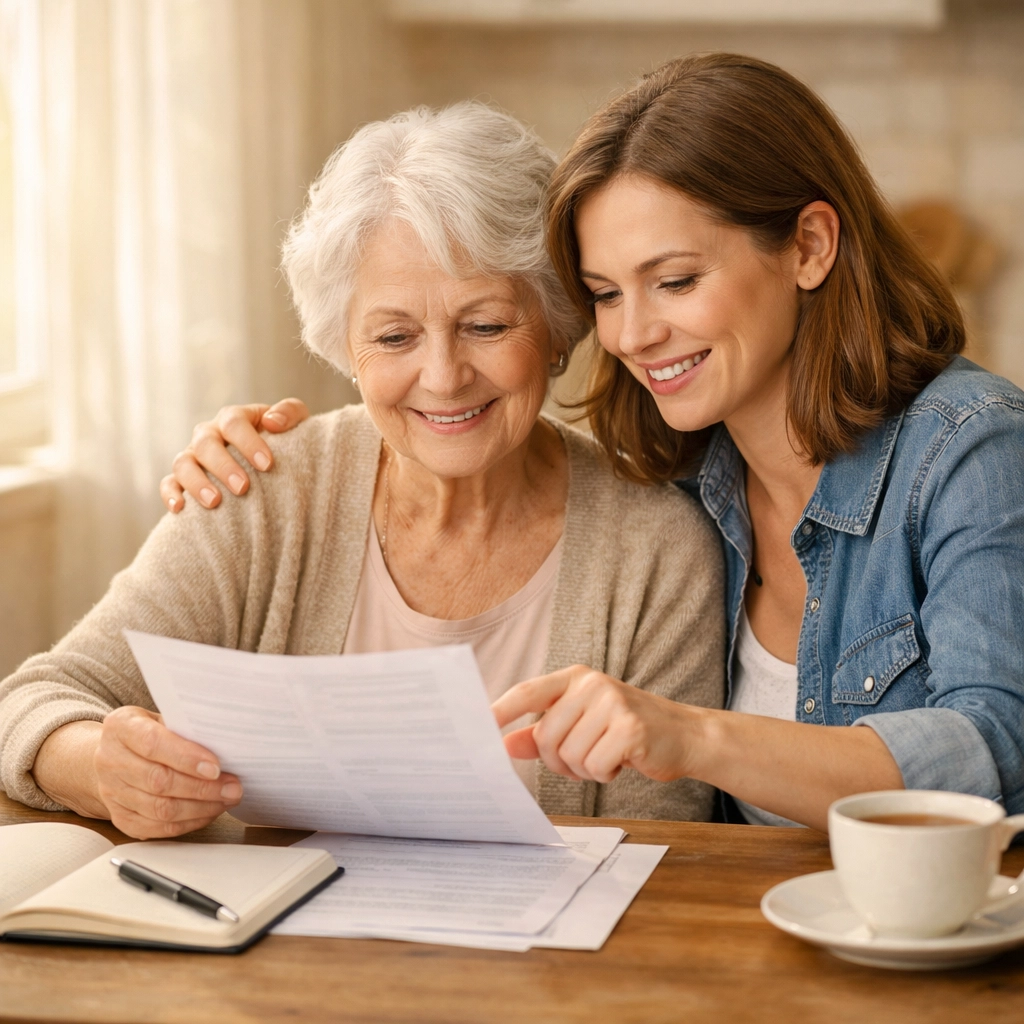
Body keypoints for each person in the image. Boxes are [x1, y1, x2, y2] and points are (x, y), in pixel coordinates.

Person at [191, 55, 1024, 833]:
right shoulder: (689, 477)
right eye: (605, 294)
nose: (633, 333)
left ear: (808, 246)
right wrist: (251, 453)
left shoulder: (971, 452)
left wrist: (695, 736)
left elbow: (998, 751)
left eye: (676, 281)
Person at [0, 103, 724, 840]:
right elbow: (36, 700)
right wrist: (103, 768)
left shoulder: (656, 545)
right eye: (394, 336)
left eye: (485, 325)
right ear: (344, 346)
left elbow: (668, 852)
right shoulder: (265, 486)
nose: (442, 377)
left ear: (557, 328)